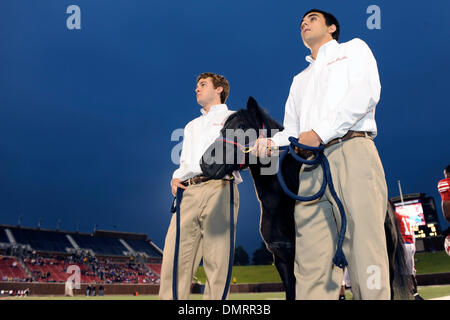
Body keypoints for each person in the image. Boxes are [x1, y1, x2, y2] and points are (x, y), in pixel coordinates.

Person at [254, 9, 390, 299]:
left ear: (332, 28)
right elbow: (292, 130)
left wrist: (321, 131)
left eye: (312, 18)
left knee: (365, 248)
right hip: (312, 166)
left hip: (352, 150)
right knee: (311, 260)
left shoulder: (354, 49)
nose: (304, 22)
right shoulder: (299, 79)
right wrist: (269, 143)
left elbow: (366, 94)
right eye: (301, 21)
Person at [159, 72, 241, 300]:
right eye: (196, 85)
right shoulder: (191, 126)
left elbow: (249, 154)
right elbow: (185, 163)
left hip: (220, 188)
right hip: (188, 191)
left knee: (217, 260)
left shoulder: (235, 118)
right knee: (174, 261)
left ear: (219, 90)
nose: (197, 88)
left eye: (203, 84)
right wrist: (176, 177)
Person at [393, 200, 424, 300]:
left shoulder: (395, 217)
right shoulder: (406, 217)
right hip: (411, 244)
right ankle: (416, 295)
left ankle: (397, 293)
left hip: (403, 245)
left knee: (398, 271)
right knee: (410, 272)